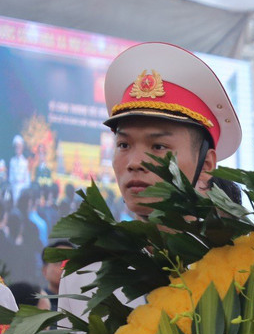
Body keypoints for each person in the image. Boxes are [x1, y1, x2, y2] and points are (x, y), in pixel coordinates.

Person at [58, 42, 243, 313]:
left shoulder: (246, 264)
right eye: (124, 145)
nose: (134, 163)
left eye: (158, 147)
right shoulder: (85, 274)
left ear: (207, 164)